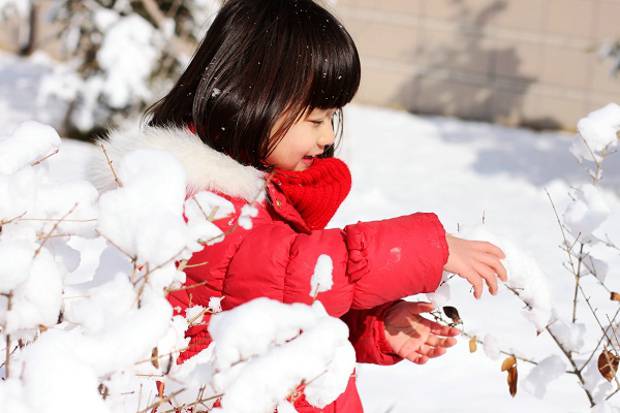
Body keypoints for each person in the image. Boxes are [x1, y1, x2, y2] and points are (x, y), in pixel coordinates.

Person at [91, 0, 508, 411]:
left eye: (332, 118)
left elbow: (280, 308)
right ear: (252, 97)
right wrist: (431, 247)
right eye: (315, 120)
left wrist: (376, 327)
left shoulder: (257, 198)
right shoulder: (199, 202)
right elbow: (298, 270)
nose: (328, 136)